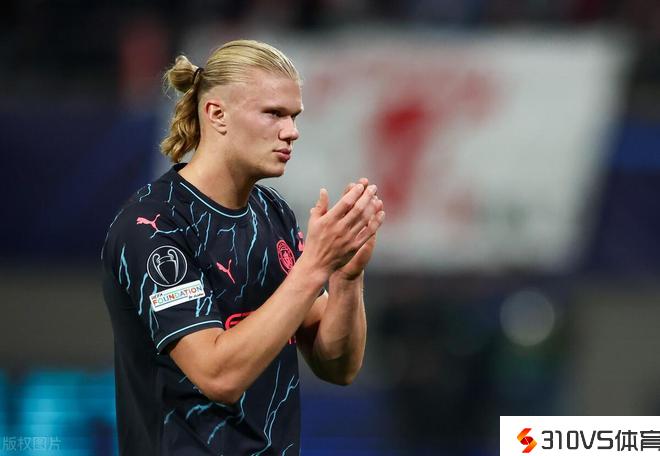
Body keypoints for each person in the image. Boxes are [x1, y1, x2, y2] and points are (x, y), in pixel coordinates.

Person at [101, 39, 385, 455]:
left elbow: (338, 366)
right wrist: (315, 265)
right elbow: (218, 376)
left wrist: (345, 275)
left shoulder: (273, 213)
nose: (291, 131)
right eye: (274, 113)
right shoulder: (153, 225)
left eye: (294, 116)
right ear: (217, 114)